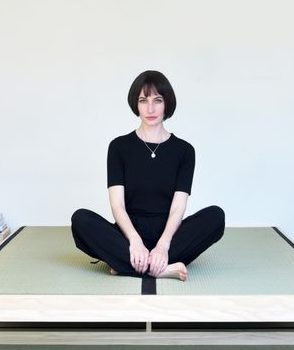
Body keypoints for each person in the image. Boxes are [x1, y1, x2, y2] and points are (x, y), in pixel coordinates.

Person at [71, 70, 225, 281]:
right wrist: (134, 240)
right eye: (143, 100)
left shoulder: (184, 150)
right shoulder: (118, 147)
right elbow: (117, 205)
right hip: (128, 234)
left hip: (170, 235)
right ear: (136, 104)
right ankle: (163, 269)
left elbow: (179, 206)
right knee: (80, 220)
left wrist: (163, 245)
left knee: (216, 217)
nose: (150, 108)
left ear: (167, 104)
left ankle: (126, 265)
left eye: (157, 100)